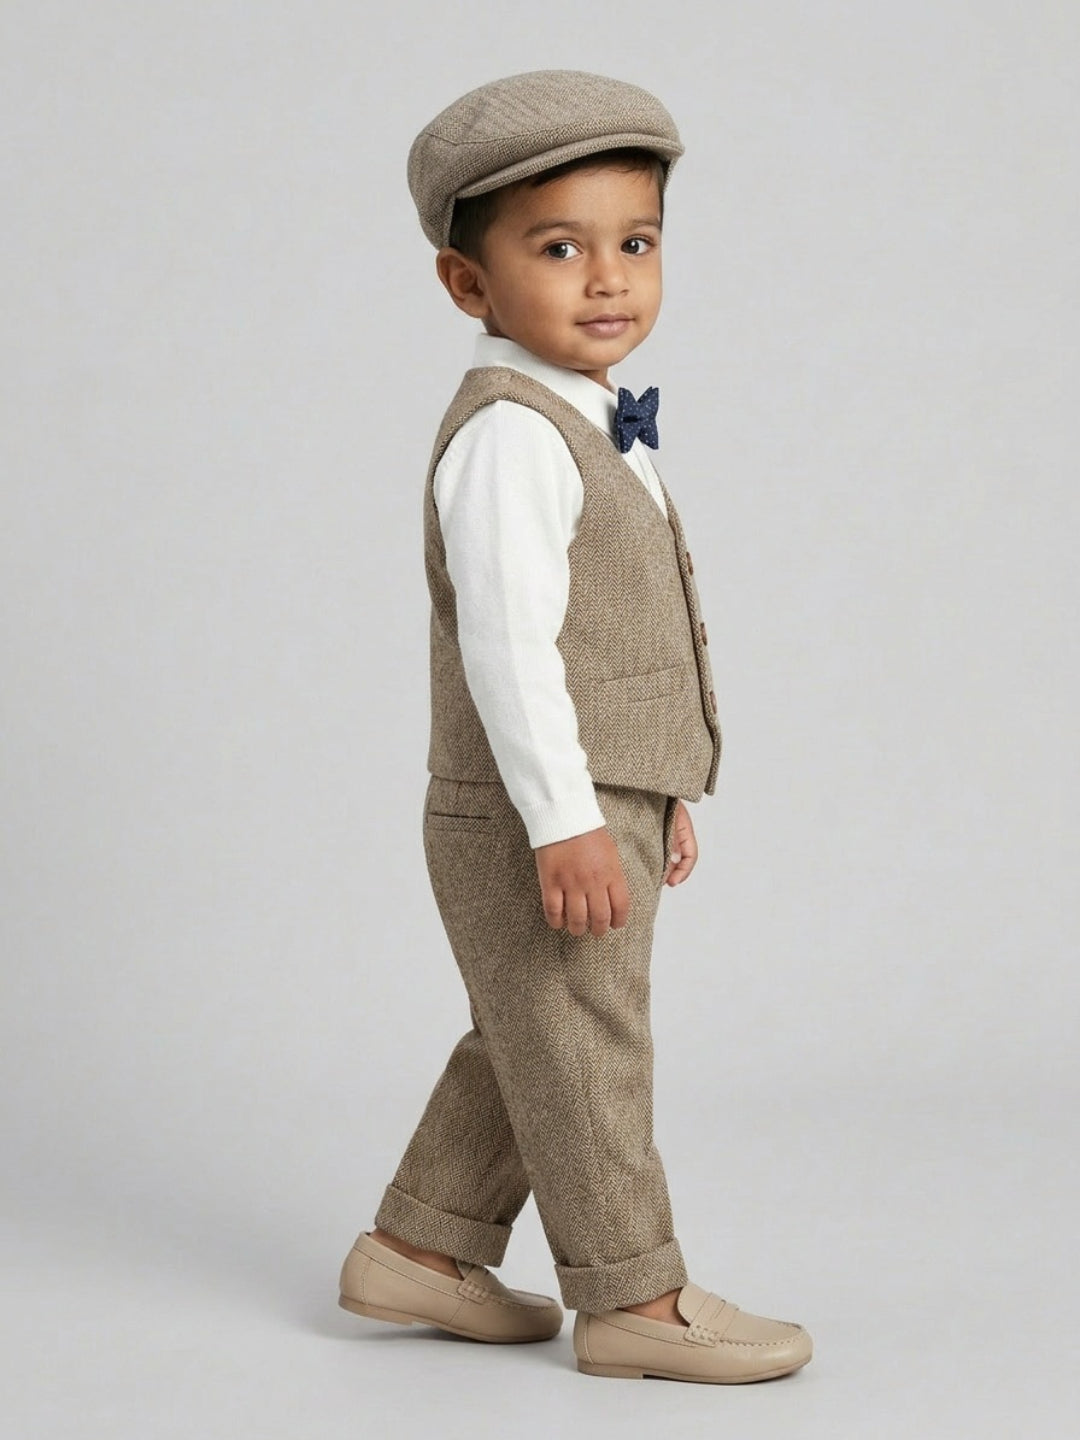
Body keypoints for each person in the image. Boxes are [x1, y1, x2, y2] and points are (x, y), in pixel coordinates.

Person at [337, 69, 813, 1384]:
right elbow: (509, 651)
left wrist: (656, 793)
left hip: (603, 793)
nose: (608, 279)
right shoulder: (511, 438)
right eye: (558, 249)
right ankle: (632, 1297)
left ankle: (420, 1249)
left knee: (536, 1027)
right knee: (587, 1040)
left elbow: (614, 637)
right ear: (467, 284)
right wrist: (565, 822)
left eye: (636, 242)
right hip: (534, 805)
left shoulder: (591, 418)